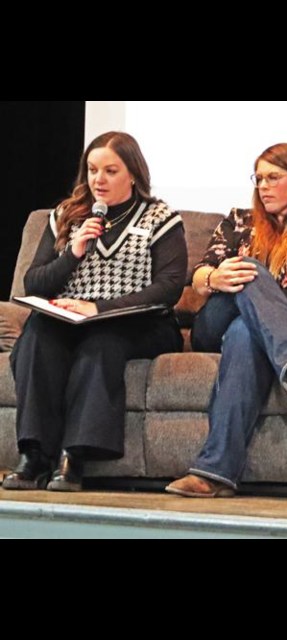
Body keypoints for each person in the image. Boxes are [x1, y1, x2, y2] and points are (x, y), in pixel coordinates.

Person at [165, 143, 287, 498]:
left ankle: (212, 473)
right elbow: (204, 268)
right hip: (215, 320)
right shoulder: (239, 221)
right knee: (248, 269)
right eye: (259, 178)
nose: (263, 186)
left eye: (273, 177)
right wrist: (212, 279)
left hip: (263, 331)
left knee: (245, 334)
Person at [3, 131, 187, 492]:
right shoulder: (67, 216)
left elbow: (169, 288)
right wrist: (72, 252)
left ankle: (74, 456)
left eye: (110, 171)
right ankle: (35, 454)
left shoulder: (160, 217)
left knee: (101, 343)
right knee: (37, 336)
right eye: (92, 170)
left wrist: (98, 308)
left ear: (133, 173)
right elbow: (34, 284)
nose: (98, 180)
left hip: (138, 321)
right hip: (70, 319)